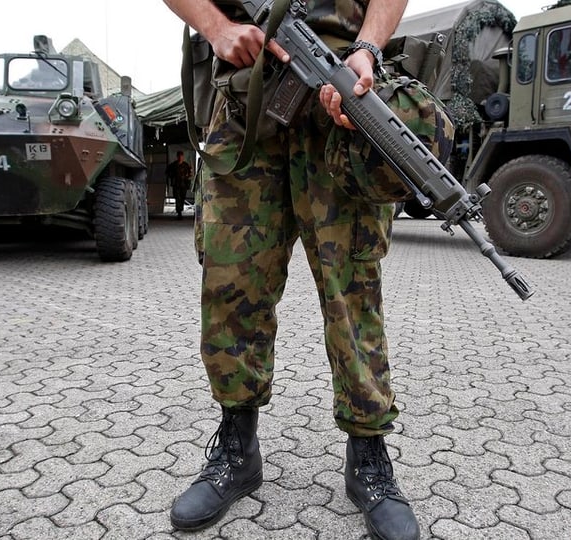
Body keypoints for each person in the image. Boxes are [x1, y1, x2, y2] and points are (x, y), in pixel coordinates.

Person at [162, 1, 418, 539]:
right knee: (233, 285)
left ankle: (367, 456)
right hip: (244, 111)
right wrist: (217, 26)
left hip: (342, 103)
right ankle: (238, 448)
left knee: (353, 291)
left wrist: (368, 48)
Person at [166, 150, 194, 220]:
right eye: (179, 156)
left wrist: (189, 174)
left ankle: (180, 210)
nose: (180, 158)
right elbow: (167, 172)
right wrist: (172, 176)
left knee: (182, 198)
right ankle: (179, 212)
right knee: (177, 198)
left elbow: (190, 175)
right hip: (176, 184)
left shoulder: (186, 165)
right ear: (177, 157)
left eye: (181, 156)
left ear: (183, 157)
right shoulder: (173, 165)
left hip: (183, 184)